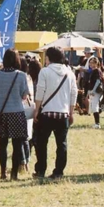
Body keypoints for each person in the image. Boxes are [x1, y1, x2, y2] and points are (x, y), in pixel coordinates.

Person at [32, 47, 78, 179]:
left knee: (41, 143)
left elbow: (40, 92)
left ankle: (40, 170)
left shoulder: (45, 72)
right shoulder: (70, 73)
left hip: (47, 113)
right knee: (61, 144)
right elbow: (73, 93)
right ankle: (58, 171)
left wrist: (36, 109)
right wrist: (71, 111)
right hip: (63, 113)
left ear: (49, 58)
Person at [0, 49, 30, 181]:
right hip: (17, 113)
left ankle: (3, 172)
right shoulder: (21, 75)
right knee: (17, 145)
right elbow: (25, 95)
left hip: (2, 113)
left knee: (2, 144)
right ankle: (14, 173)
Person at [85, 57, 104, 128]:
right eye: (90, 63)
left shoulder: (97, 71)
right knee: (93, 106)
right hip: (93, 91)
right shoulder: (93, 71)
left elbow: (98, 81)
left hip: (96, 91)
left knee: (94, 107)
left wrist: (93, 90)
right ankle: (96, 122)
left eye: (92, 62)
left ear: (96, 63)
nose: (91, 64)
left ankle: (97, 123)